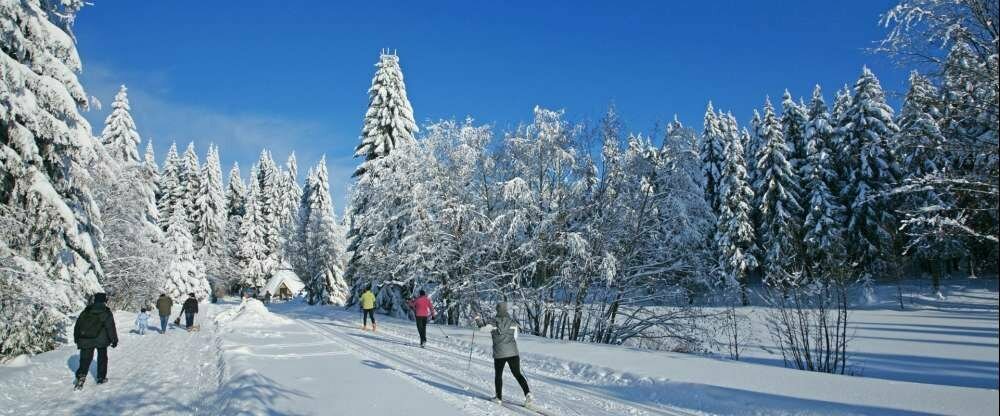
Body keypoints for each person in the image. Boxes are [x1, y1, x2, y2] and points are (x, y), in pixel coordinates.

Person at [475, 303, 532, 406]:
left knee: (498, 375)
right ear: (506, 310)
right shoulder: (512, 322)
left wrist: (477, 319)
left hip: (500, 354)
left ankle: (498, 398)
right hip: (513, 353)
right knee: (518, 374)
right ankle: (528, 393)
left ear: (497, 310)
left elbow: (482, 329)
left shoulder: (493, 323)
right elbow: (515, 337)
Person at [73, 293, 118, 390]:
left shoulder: (86, 310)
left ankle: (81, 376)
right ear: (104, 301)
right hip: (101, 340)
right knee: (102, 358)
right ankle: (101, 377)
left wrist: (76, 337)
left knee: (85, 359)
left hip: (86, 339)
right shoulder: (106, 311)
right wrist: (114, 339)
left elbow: (78, 325)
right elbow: (110, 327)